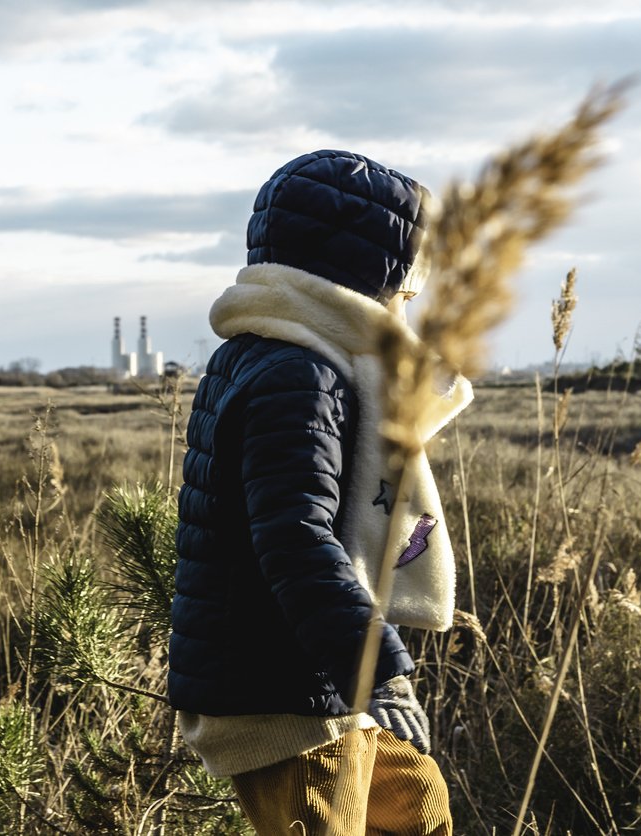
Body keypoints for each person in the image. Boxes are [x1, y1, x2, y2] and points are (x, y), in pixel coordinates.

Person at [169, 149, 472, 835]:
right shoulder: (297, 374)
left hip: (314, 670)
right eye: (406, 287)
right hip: (277, 695)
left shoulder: (290, 355)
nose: (409, 306)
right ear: (365, 278)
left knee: (414, 808)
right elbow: (294, 537)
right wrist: (378, 670)